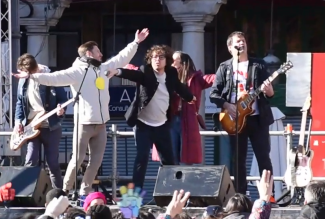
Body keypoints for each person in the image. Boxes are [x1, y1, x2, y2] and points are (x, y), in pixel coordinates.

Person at [14, 29, 150, 196]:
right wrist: (32, 77)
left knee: (96, 161)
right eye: (98, 51)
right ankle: (65, 190)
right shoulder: (77, 72)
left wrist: (135, 42)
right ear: (89, 53)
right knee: (77, 160)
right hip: (84, 124)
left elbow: (121, 58)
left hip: (101, 124)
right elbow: (54, 78)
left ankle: (85, 191)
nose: (101, 54)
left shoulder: (103, 68)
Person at [107, 45, 194, 189]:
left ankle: (170, 193)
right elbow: (133, 75)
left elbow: (179, 87)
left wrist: (190, 97)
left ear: (167, 60)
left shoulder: (171, 73)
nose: (157, 60)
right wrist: (117, 71)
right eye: (154, 57)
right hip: (143, 124)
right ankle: (136, 196)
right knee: (141, 158)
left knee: (169, 161)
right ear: (150, 59)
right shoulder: (145, 71)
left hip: (162, 125)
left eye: (161, 57)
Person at [209, 31, 275, 194]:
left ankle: (269, 195)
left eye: (243, 41)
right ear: (230, 47)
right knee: (238, 160)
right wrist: (227, 104)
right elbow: (213, 94)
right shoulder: (225, 67)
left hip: (257, 119)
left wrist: (269, 90)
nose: (242, 44)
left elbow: (271, 94)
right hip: (234, 118)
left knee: (264, 158)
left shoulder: (258, 65)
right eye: (238, 42)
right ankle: (240, 196)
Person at [14, 54, 68, 188]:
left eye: (28, 73)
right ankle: (27, 193)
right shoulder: (23, 81)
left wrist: (61, 109)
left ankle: (58, 194)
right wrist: (18, 122)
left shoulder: (51, 77)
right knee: (30, 160)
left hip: (51, 126)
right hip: (31, 126)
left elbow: (62, 99)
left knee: (53, 164)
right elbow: (20, 102)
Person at [170, 51, 215, 164]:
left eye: (174, 60)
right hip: (171, 118)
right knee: (170, 155)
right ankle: (171, 180)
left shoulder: (195, 78)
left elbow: (211, 78)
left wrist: (227, 73)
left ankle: (185, 180)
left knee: (187, 156)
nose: (171, 62)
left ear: (183, 62)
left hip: (188, 119)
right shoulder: (167, 76)